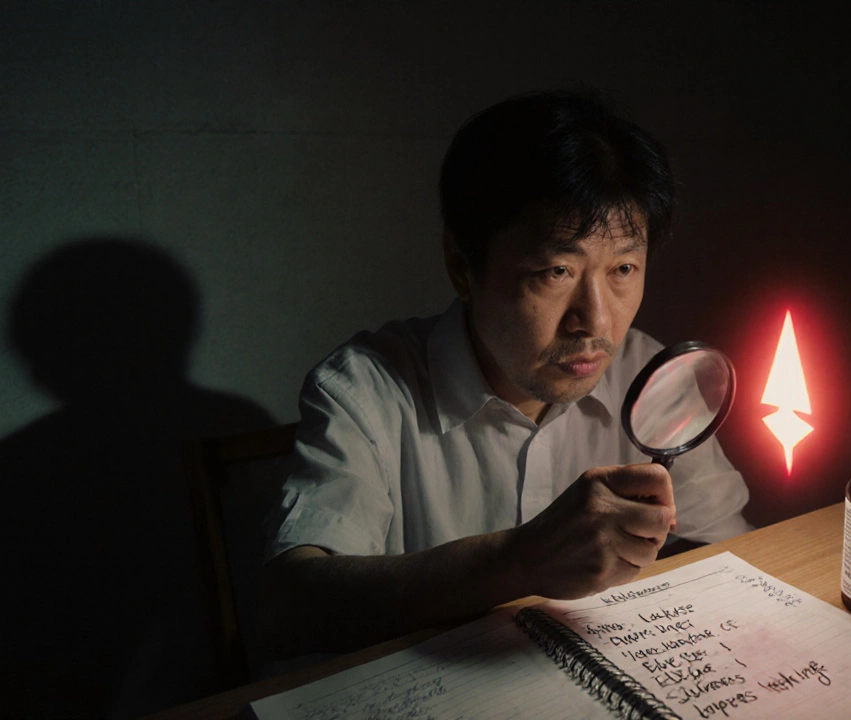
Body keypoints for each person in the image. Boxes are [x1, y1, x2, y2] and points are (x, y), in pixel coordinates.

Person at [257, 89, 752, 658]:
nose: (595, 319)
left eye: (623, 268)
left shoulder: (650, 372)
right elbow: (288, 610)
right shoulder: (365, 392)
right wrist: (517, 561)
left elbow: (730, 551)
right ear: (462, 266)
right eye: (555, 270)